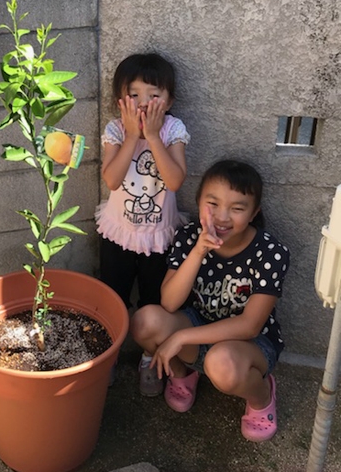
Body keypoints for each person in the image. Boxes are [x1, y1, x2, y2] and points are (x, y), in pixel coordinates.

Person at [130, 159, 290, 442]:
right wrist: (198, 252)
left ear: (254, 213)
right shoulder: (189, 236)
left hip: (248, 345)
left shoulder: (270, 252)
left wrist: (181, 339)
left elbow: (250, 325)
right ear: (199, 200)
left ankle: (262, 397)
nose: (222, 217)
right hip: (199, 323)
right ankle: (182, 375)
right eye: (212, 204)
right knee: (145, 321)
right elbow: (168, 303)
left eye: (237, 208)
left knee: (222, 363)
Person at [95, 53, 190, 393]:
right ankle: (108, 354)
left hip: (159, 237)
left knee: (154, 299)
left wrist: (152, 137)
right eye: (133, 94)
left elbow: (175, 180)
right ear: (120, 99)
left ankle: (150, 357)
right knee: (113, 295)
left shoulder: (173, 130)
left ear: (169, 101)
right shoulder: (115, 129)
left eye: (153, 95)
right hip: (119, 233)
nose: (143, 103)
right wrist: (133, 136)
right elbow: (112, 180)